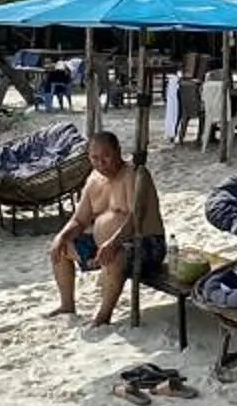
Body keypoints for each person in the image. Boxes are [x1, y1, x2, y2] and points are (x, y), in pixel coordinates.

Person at [47, 130, 163, 326]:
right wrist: (62, 236)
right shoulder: (93, 179)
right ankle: (67, 304)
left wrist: (113, 242)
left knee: (116, 256)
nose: (101, 163)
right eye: (95, 158)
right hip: (102, 244)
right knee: (61, 248)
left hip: (146, 243)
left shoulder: (135, 174)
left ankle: (103, 316)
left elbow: (136, 218)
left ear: (118, 151)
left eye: (106, 156)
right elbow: (79, 220)